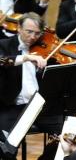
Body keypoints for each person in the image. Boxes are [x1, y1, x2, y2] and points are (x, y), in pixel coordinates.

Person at [0, 12, 60, 141]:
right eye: (29, 31)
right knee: (5, 144)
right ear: (19, 28)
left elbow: (60, 68)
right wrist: (26, 57)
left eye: (37, 33)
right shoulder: (4, 45)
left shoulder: (44, 48)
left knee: (64, 133)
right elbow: (2, 61)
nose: (33, 37)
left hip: (40, 107)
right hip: (12, 107)